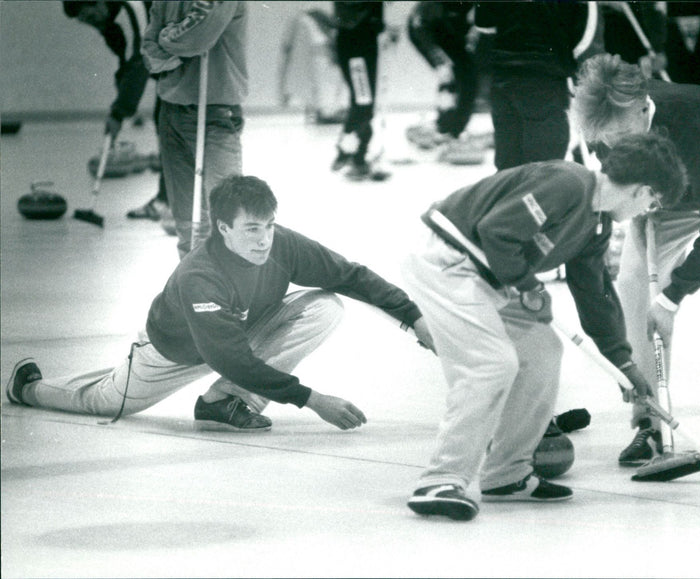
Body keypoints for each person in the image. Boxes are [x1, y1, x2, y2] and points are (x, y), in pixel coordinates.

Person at [401, 132, 688, 521]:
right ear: (641, 190)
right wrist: (529, 285)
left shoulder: (599, 225)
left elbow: (593, 292)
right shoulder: (567, 184)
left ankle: (507, 475)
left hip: (494, 275)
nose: (646, 211)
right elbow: (497, 232)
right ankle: (440, 479)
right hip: (448, 259)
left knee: (543, 353)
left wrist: (622, 365)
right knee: (491, 363)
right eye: (653, 203)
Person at [6, 175, 434, 432]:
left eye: (267, 225)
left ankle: (224, 404)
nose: (263, 238)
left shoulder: (279, 244)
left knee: (326, 305)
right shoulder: (201, 277)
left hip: (240, 332)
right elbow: (231, 359)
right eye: (251, 229)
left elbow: (348, 274)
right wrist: (313, 399)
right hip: (173, 352)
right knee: (102, 399)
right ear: (224, 228)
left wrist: (412, 317)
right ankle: (27, 388)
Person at [569, 53, 700, 466]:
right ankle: (650, 422)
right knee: (633, 284)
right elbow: (616, 191)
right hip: (667, 194)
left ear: (640, 106)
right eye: (605, 139)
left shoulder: (688, 124)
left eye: (620, 133)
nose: (613, 146)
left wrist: (671, 298)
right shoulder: (603, 126)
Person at [142, 1, 247, 258]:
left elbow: (196, 38)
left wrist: (166, 38)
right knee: (187, 222)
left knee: (226, 213)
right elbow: (148, 51)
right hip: (171, 109)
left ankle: (230, 289)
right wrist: (174, 42)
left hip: (215, 111)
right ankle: (194, 287)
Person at [62, 0, 171, 226]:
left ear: (99, 2)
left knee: (170, 128)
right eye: (87, 22)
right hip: (167, 72)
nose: (94, 24)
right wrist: (119, 105)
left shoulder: (131, 9)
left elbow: (140, 61)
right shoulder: (108, 21)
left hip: (181, 69)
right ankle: (166, 201)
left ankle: (170, 203)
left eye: (92, 17)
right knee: (165, 124)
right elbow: (126, 64)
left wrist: (118, 113)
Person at [474, 1, 602, 170]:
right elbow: (585, 38)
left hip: (504, 75)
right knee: (543, 170)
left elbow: (484, 24)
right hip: (545, 78)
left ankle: (512, 195)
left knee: (508, 167)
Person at [405, 1, 480, 160]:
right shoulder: (430, 11)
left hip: (447, 27)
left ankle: (453, 130)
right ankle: (446, 129)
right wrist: (437, 57)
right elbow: (420, 25)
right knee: (449, 76)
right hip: (428, 28)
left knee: (468, 77)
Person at [330, 1, 386, 181]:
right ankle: (348, 152)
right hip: (355, 42)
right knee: (363, 103)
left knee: (364, 102)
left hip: (364, 39)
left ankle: (356, 155)